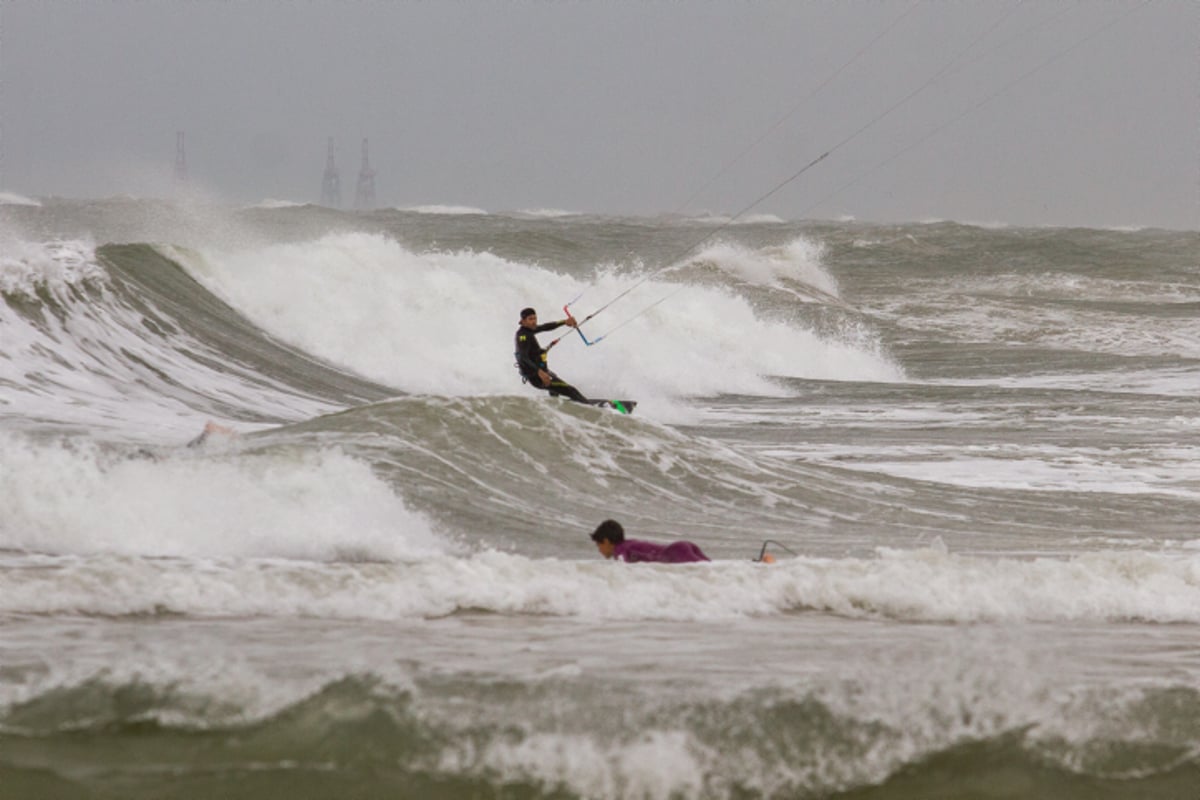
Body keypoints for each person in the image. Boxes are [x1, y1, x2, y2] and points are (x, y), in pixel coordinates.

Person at [514, 307, 589, 403]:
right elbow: (523, 357)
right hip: (536, 376)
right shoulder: (522, 336)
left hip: (542, 371)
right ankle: (588, 407)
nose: (534, 322)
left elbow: (546, 327)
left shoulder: (529, 330)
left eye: (535, 318)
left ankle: (555, 407)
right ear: (523, 321)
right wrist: (540, 372)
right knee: (571, 390)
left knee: (556, 388)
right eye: (530, 319)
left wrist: (564, 322)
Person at [589, 519, 711, 564]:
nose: (599, 550)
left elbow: (624, 571)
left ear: (606, 541)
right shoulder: (629, 544)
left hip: (676, 552)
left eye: (598, 545)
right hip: (682, 547)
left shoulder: (619, 550)